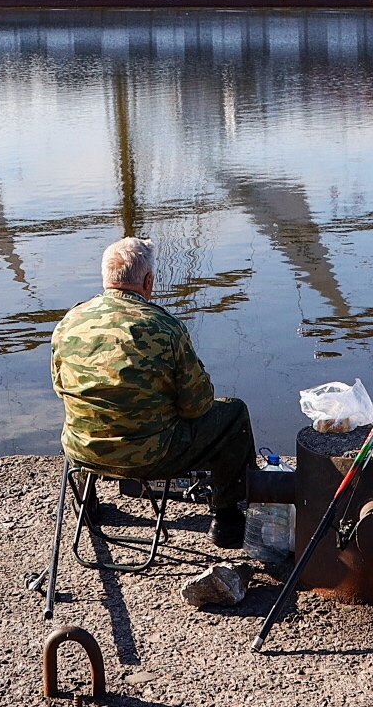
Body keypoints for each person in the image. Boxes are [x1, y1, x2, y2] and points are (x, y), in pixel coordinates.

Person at [50, 235, 255, 548]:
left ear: (106, 278)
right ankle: (226, 519)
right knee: (233, 413)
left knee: (80, 414)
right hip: (153, 457)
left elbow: (61, 387)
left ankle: (87, 507)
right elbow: (197, 406)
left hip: (84, 450)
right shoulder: (165, 327)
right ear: (148, 281)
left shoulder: (69, 322)